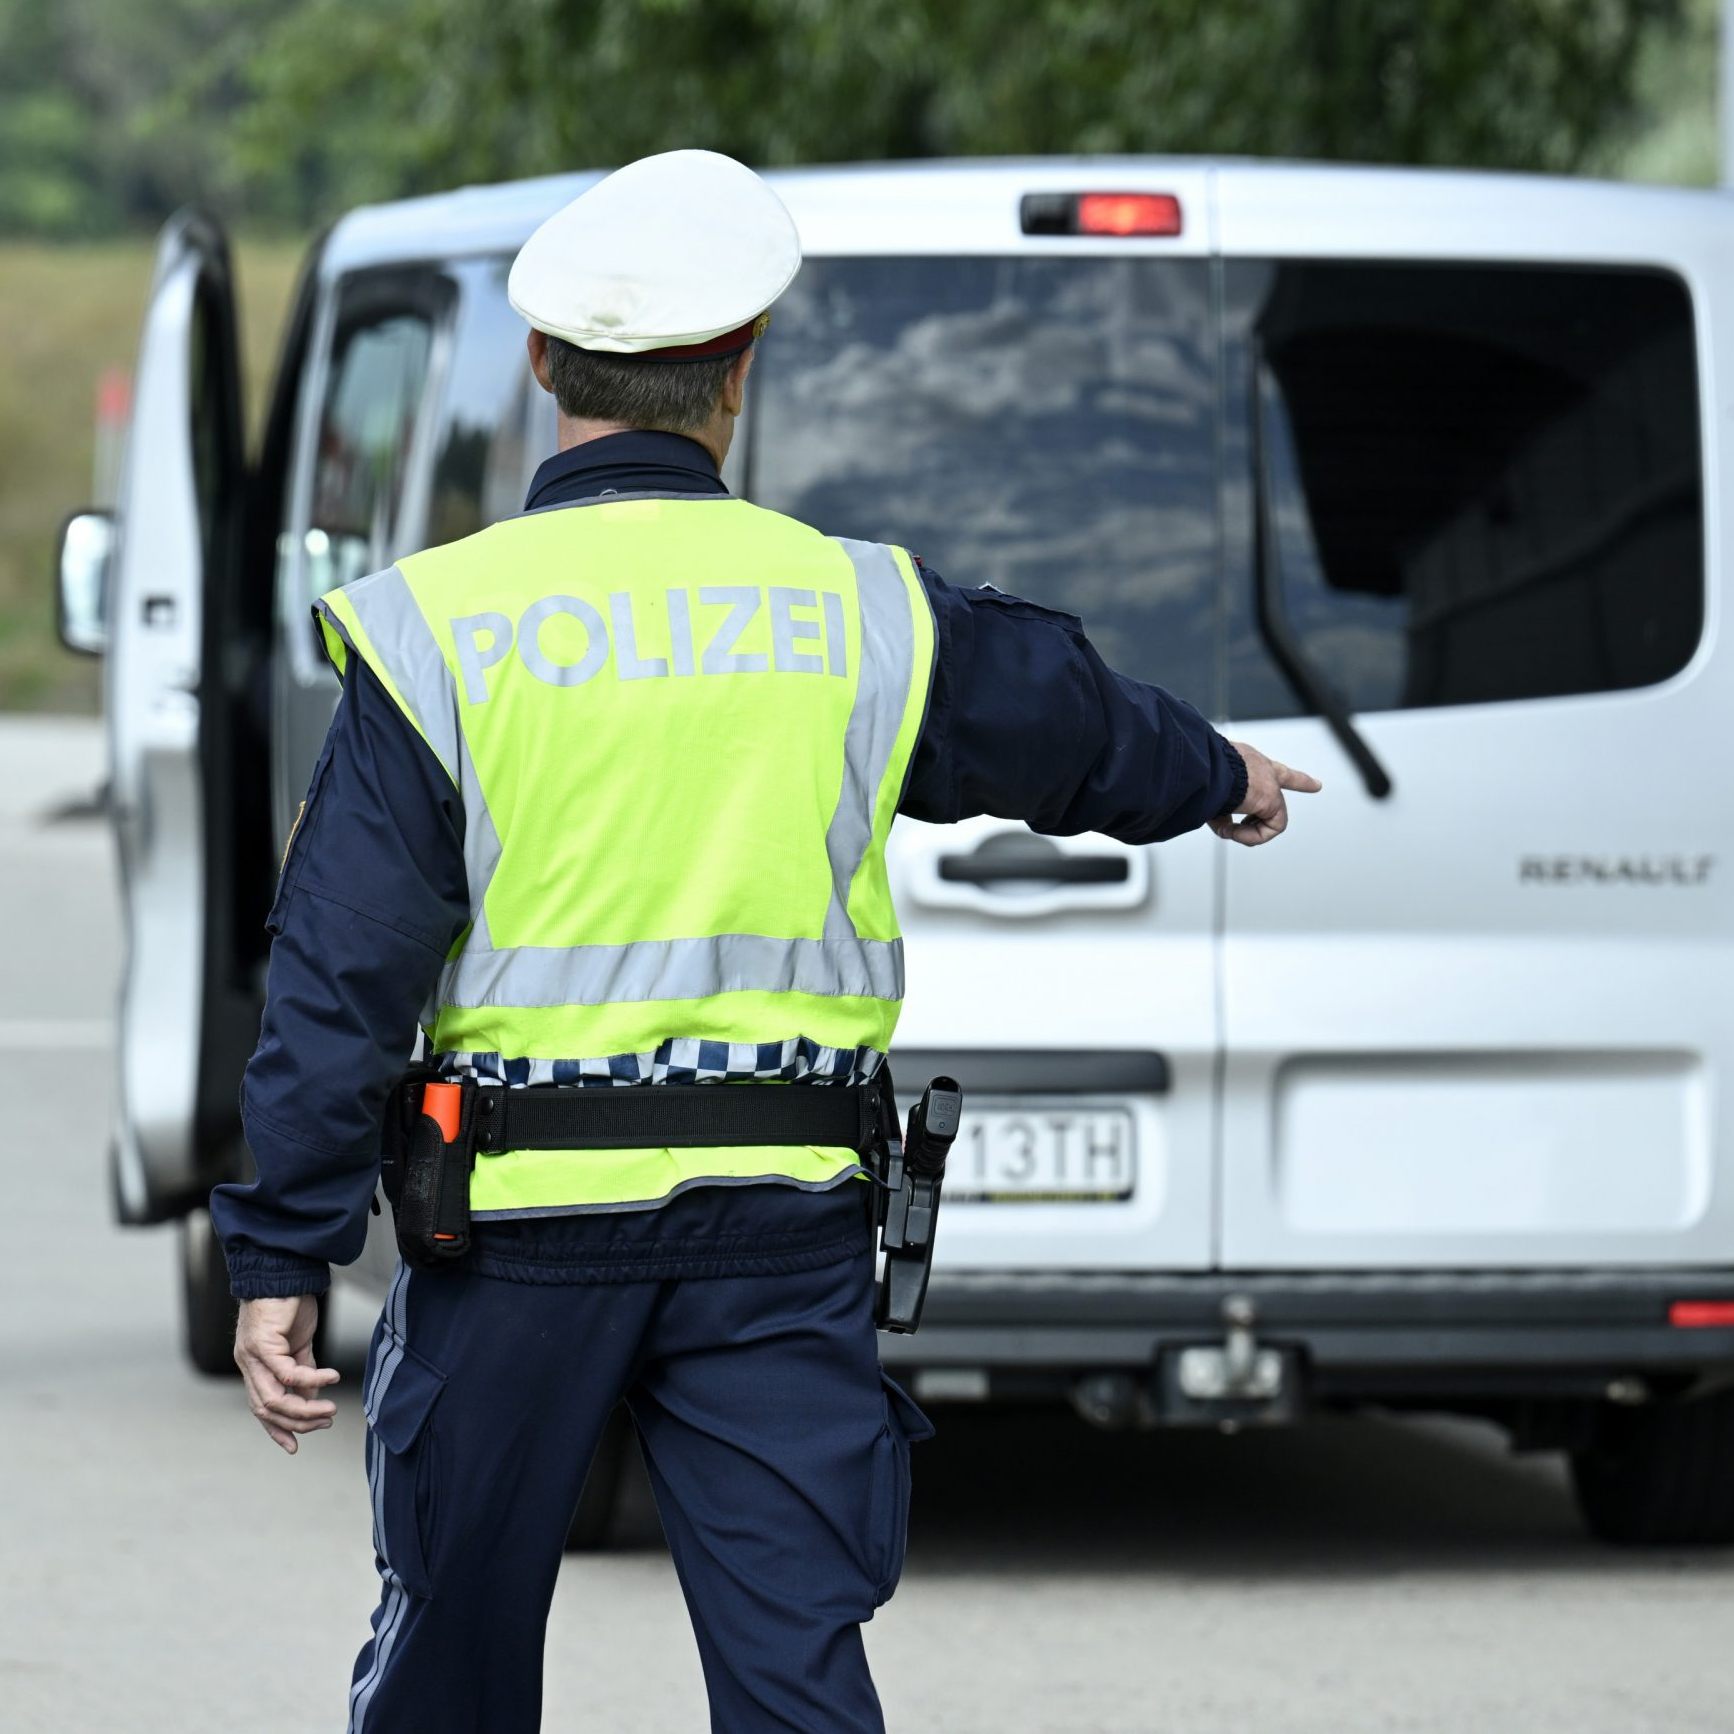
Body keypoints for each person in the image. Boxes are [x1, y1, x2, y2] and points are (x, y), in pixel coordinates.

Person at [210, 149, 1320, 1733]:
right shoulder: (855, 608)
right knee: (797, 1676)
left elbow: (342, 968)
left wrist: (281, 1250)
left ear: (541, 367)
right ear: (737, 370)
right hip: (783, 1230)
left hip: (516, 1234)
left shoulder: (437, 626)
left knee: (448, 1656)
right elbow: (1059, 722)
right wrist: (1216, 770)